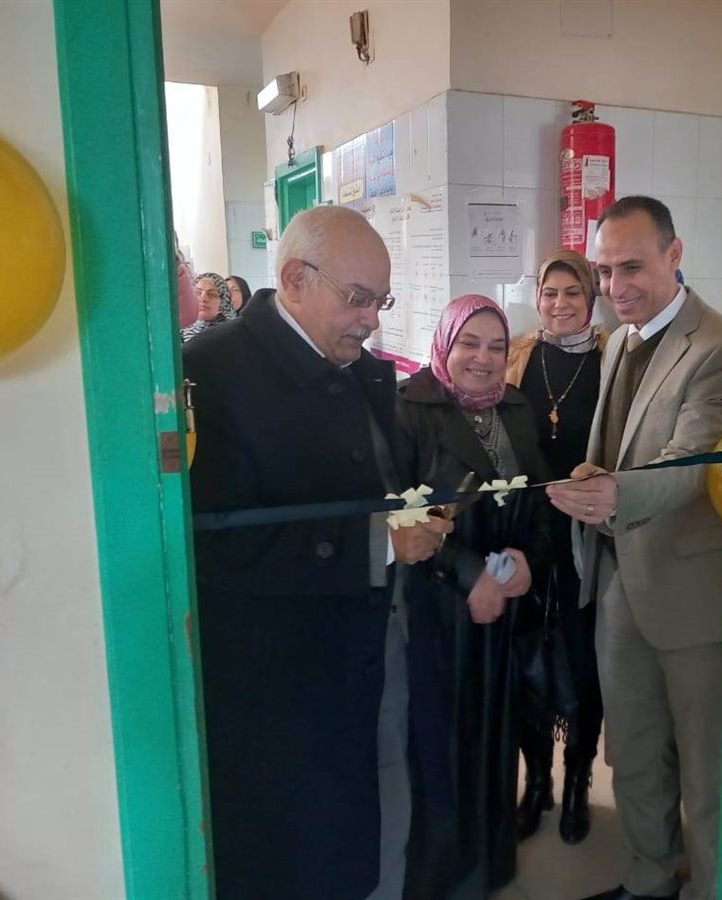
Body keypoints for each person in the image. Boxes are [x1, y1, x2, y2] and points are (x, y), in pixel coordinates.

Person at [183, 205, 451, 900]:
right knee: (298, 848)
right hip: (279, 679)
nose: (370, 320)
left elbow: (373, 481)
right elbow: (210, 538)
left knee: (375, 812)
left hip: (373, 640)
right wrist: (377, 542)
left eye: (380, 302)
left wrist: (414, 508)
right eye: (357, 298)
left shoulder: (358, 366)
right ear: (294, 279)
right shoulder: (210, 372)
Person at [547, 196, 722, 900]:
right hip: (618, 582)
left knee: (705, 772)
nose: (614, 286)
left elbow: (693, 462)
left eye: (630, 267)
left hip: (690, 599)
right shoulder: (619, 343)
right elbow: (622, 449)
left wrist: (614, 495)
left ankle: (710, 888)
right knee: (630, 754)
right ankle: (649, 879)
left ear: (674, 254)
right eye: (604, 271)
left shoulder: (720, 345)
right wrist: (591, 477)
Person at [399, 294, 553, 900]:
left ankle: (490, 864)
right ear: (445, 342)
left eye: (495, 346)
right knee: (441, 738)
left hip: (504, 602)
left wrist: (529, 560)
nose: (483, 359)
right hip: (439, 606)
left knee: (495, 731)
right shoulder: (410, 407)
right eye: (469, 343)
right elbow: (401, 517)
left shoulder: (517, 407)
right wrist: (470, 574)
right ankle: (445, 878)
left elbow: (539, 494)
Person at [506, 249, 608, 845]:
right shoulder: (519, 356)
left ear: (590, 299)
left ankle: (576, 783)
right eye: (550, 293)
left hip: (586, 538)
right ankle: (538, 782)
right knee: (529, 661)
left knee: (582, 662)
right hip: (529, 535)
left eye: (573, 293)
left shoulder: (611, 359)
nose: (560, 304)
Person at [180, 272, 235, 342]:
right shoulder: (181, 332)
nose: (203, 299)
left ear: (223, 301)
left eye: (212, 294)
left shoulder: (231, 332)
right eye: (198, 293)